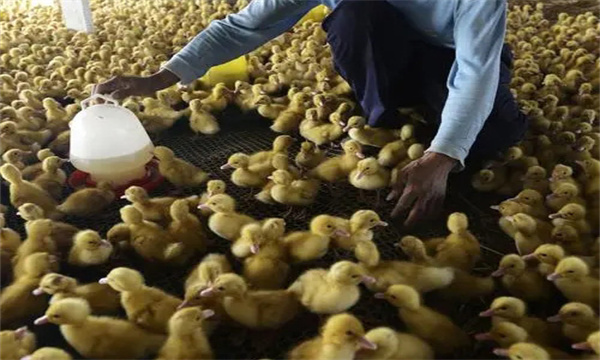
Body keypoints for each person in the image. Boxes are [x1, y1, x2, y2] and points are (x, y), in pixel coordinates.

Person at [94, 0, 528, 227]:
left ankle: (427, 124)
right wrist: (159, 78)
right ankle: (385, 115)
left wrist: (445, 154)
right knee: (354, 14)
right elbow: (244, 26)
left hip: (450, 55)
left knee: (492, 136)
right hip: (383, 49)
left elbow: (475, 69)